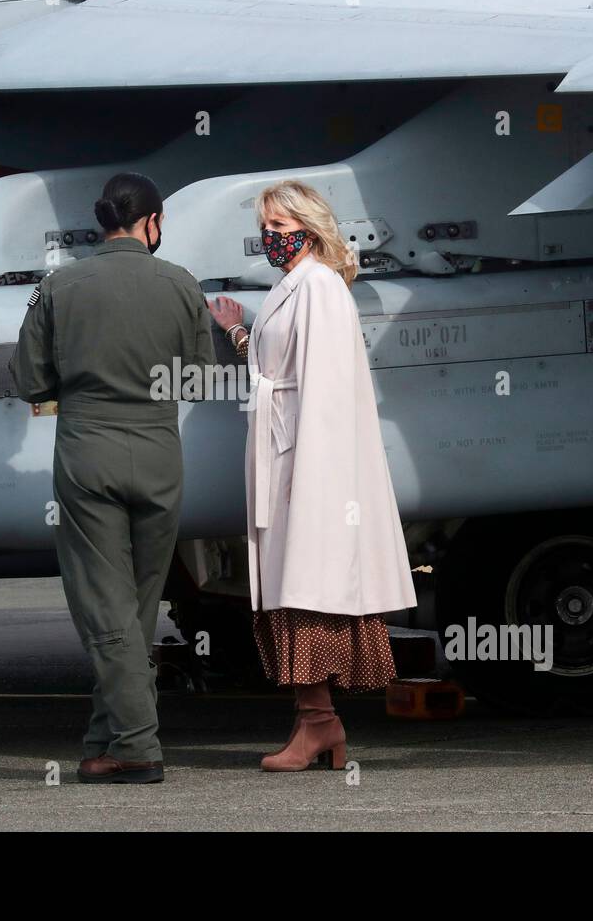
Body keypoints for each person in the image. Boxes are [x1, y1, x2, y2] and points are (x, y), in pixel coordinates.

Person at [9, 172, 215, 784]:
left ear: (105, 221)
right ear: (151, 221)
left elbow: (30, 381)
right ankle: (106, 738)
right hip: (158, 455)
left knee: (106, 610)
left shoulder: (60, 286)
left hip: (89, 454)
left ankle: (136, 747)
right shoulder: (181, 284)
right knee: (136, 610)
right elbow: (198, 380)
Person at [208, 179, 416, 772]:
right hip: (284, 454)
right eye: (266, 227)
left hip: (303, 461)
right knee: (290, 588)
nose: (269, 237)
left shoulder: (319, 287)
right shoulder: (293, 285)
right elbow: (282, 365)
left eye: (278, 226)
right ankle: (318, 725)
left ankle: (319, 724)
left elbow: (325, 393)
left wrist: (311, 478)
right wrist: (238, 331)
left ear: (307, 226)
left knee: (303, 587)